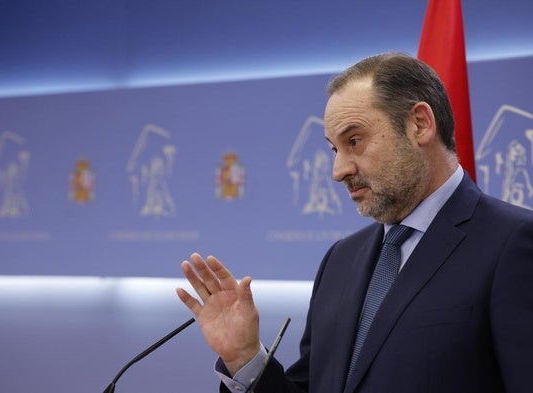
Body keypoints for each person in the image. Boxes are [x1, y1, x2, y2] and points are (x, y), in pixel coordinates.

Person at [176, 53, 533, 393]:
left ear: (420, 124)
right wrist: (244, 359)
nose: (338, 171)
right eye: (335, 148)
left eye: (355, 141)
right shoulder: (341, 260)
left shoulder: (514, 244)